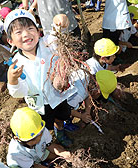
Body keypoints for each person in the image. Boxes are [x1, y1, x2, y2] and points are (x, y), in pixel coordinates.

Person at [5, 9, 83, 147]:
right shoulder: (16, 63)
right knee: (45, 124)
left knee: (61, 116)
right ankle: (46, 141)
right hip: (39, 104)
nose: (26, 34)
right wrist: (13, 80)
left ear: (38, 31)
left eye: (30, 28)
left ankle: (60, 132)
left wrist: (60, 19)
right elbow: (19, 92)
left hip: (59, 95)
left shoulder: (48, 43)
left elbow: (56, 31)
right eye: (19, 32)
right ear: (10, 40)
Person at [7, 107, 71, 168]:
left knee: (59, 150)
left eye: (40, 135)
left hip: (39, 153)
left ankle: (43, 161)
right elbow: (34, 166)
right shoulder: (16, 154)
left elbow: (50, 145)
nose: (39, 139)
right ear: (18, 139)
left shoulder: (39, 129)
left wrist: (62, 153)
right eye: (34, 139)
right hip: (23, 164)